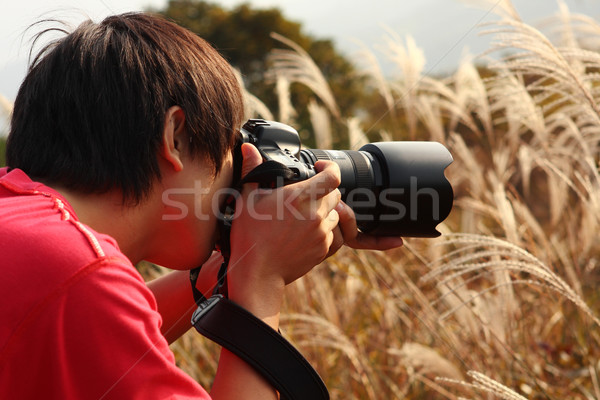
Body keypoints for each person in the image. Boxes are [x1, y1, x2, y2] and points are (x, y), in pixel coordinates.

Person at [0, 12, 403, 400]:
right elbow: (84, 297)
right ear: (175, 136)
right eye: (230, 149)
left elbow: (82, 333)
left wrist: (230, 268)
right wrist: (260, 281)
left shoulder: (29, 237)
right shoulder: (76, 271)